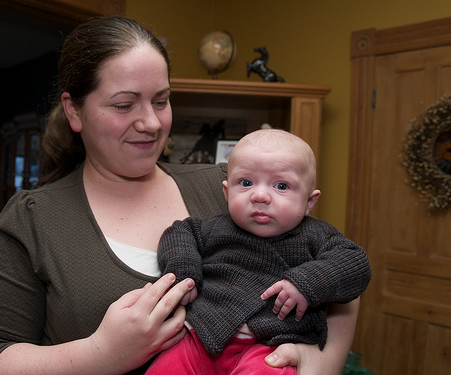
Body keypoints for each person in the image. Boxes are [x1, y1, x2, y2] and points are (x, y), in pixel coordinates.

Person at [0, 16, 360, 375]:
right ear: (74, 111)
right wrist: (99, 355)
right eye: (124, 104)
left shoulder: (235, 186)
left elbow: (337, 268)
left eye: (161, 101)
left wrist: (319, 366)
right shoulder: (34, 220)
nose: (150, 122)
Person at [146, 129, 371, 375]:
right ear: (226, 192)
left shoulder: (316, 236)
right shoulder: (214, 228)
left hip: (269, 348)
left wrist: (307, 282)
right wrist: (184, 269)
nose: (260, 195)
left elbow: (355, 262)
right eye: (246, 183)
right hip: (200, 339)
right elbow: (178, 233)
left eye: (281, 186)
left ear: (309, 202)